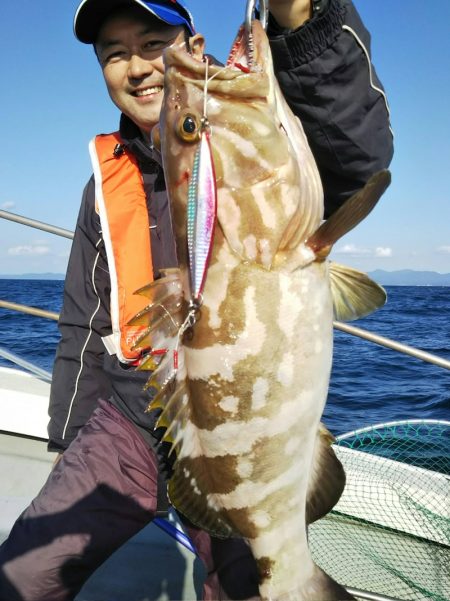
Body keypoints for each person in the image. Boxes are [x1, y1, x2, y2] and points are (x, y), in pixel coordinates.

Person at [0, 1, 393, 600]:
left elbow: (359, 152)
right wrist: (66, 441)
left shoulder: (258, 116)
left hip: (235, 430)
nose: (136, 67)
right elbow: (83, 323)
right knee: (23, 573)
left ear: (190, 42)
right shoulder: (104, 184)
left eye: (152, 41)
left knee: (248, 583)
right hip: (130, 420)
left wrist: (302, 20)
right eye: (114, 54)